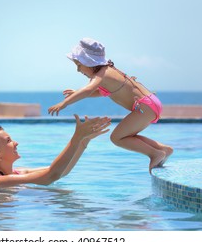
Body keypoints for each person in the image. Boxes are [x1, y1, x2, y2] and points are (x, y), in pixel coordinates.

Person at [48, 37, 173, 173]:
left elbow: (89, 89)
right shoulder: (108, 72)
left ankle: (155, 154)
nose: (78, 70)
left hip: (144, 107)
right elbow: (100, 92)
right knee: (127, 136)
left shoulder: (102, 74)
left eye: (79, 65)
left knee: (117, 138)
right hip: (149, 104)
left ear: (89, 62)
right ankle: (162, 149)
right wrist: (77, 92)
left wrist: (64, 103)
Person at [0, 114, 111, 186]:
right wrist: (76, 137)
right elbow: (50, 176)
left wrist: (84, 140)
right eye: (9, 141)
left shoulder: (19, 172)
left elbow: (62, 171)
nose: (16, 143)